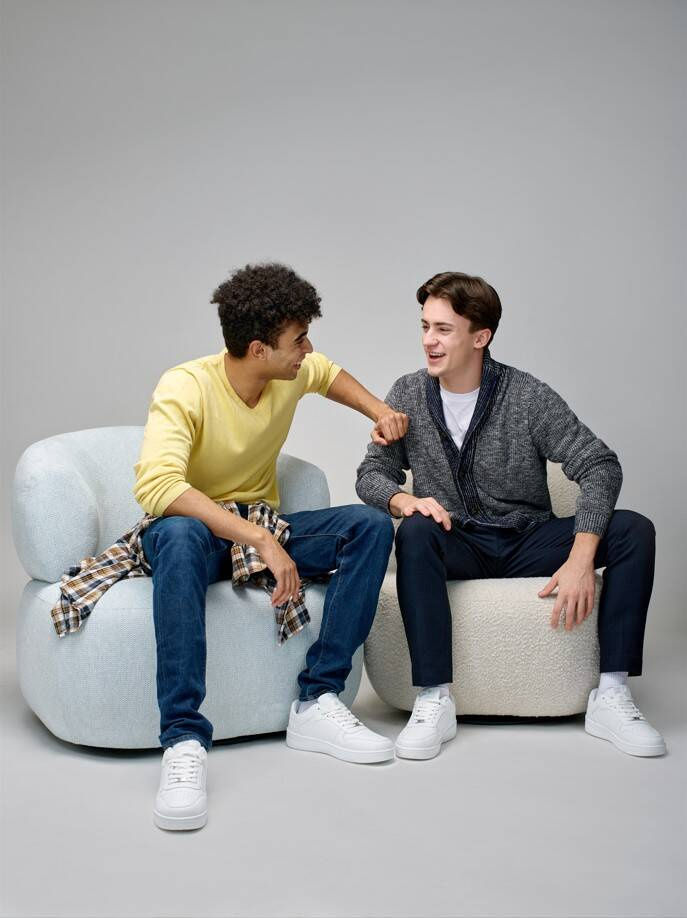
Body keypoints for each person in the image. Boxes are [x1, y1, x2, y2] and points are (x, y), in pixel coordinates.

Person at [134, 263, 408, 831]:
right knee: (179, 535)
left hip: (260, 523)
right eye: (299, 339)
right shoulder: (185, 385)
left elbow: (328, 374)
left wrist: (380, 412)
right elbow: (159, 487)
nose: (308, 349)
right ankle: (183, 740)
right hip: (193, 532)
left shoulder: (291, 373)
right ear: (259, 349)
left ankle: (318, 700)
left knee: (369, 526)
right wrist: (260, 539)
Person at [356, 271, 665, 761]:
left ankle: (611, 695)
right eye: (425, 327)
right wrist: (403, 501)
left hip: (529, 540)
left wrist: (581, 557)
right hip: (457, 541)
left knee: (634, 530)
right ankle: (434, 698)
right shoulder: (408, 394)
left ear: (481, 337)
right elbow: (371, 474)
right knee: (414, 532)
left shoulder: (526, 396)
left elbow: (599, 464)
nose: (429, 341)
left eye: (443, 329)